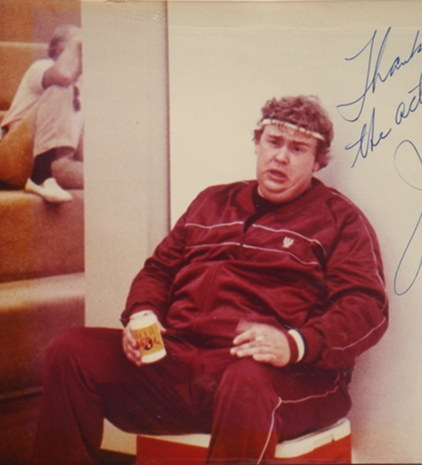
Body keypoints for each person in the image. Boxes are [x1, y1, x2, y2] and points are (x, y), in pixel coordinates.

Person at [33, 95, 388, 464]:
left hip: (281, 376)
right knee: (70, 350)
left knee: (246, 379)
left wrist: (295, 344)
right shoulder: (212, 202)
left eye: (298, 148)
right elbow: (159, 270)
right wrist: (143, 315)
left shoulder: (340, 219)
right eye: (273, 142)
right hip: (185, 364)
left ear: (318, 161)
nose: (281, 156)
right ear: (257, 143)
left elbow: (367, 307)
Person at [0, 24, 83, 203]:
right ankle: (41, 177)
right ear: (62, 49)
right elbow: (64, 75)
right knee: (61, 88)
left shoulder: (84, 89)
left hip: (59, 165)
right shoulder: (43, 67)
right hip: (13, 160)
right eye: (79, 47)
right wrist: (78, 40)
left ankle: (46, 176)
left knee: (111, 179)